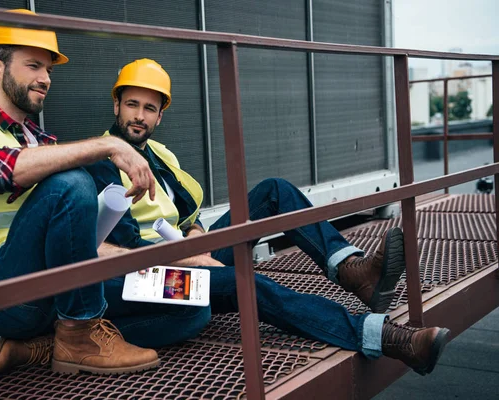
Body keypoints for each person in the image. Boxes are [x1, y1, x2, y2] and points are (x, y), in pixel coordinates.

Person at [82, 58, 452, 376]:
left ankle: (354, 270)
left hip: (186, 253)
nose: (139, 115)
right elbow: (125, 246)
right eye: (132, 104)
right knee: (246, 281)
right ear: (116, 105)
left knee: (274, 190)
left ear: (161, 115)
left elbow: (187, 214)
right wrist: (196, 257)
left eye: (149, 108)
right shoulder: (103, 160)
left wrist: (195, 233)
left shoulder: (161, 156)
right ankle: (385, 337)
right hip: (143, 278)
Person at [0, 11, 178, 376]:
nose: (45, 79)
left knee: (185, 298)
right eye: (34, 66)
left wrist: (135, 258)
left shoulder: (41, 141)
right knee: (72, 182)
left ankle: (42, 347)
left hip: (52, 289)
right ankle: (80, 332)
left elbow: (68, 233)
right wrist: (107, 146)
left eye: (50, 70)